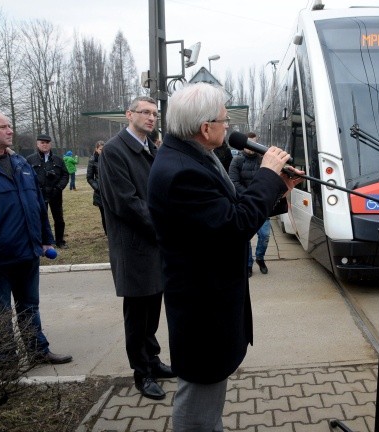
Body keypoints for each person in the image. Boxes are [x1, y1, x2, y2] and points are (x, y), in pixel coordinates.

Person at [147, 82, 303, 430]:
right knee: (200, 397)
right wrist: (267, 173)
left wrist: (278, 188)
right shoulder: (182, 171)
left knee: (207, 397)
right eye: (223, 119)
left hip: (209, 300)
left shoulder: (191, 156)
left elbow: (223, 214)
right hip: (202, 308)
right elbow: (234, 225)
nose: (228, 126)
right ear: (205, 128)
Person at [0, 110, 72, 364]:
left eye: (10, 126)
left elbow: (37, 205)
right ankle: (6, 362)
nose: (10, 130)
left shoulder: (21, 163)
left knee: (30, 306)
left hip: (28, 251)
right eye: (3, 127)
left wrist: (46, 239)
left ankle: (37, 350)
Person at [98, 96, 173, 400]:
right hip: (134, 246)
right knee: (138, 313)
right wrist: (164, 228)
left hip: (153, 245)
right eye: (145, 112)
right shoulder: (115, 151)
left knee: (152, 308)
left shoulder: (149, 147)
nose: (151, 117)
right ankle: (141, 372)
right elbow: (126, 202)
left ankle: (152, 361)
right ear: (128, 115)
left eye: (155, 113)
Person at [229, 132, 271, 276]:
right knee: (246, 237)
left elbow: (268, 180)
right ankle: (248, 264)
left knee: (265, 235)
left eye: (254, 143)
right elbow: (233, 182)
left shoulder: (262, 160)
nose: (251, 147)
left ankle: (260, 257)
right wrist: (251, 195)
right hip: (244, 204)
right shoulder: (237, 161)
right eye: (248, 143)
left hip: (261, 205)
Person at [26, 133, 69, 248]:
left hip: (55, 193)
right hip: (39, 194)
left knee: (59, 218)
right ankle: (43, 242)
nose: (45, 145)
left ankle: (60, 241)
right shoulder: (30, 160)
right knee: (40, 218)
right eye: (42, 143)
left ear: (51, 144)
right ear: (37, 144)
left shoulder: (58, 160)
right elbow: (26, 177)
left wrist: (59, 187)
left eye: (47, 143)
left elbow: (65, 175)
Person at [86, 141, 106, 235]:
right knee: (104, 215)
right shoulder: (92, 160)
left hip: (111, 191)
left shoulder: (109, 158)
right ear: (96, 149)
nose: (103, 151)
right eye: (101, 149)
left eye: (104, 149)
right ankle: (108, 234)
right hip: (100, 193)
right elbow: (89, 177)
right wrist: (97, 187)